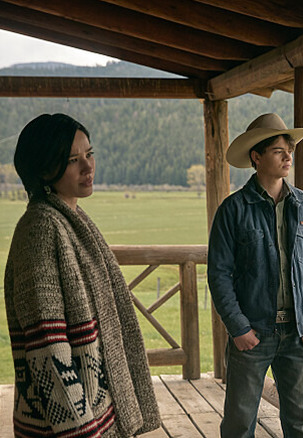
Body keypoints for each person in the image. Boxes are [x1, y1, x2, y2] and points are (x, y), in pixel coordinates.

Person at [4, 114, 161, 437]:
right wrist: (82, 430)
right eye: (72, 160)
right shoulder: (41, 228)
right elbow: (48, 347)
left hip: (92, 413)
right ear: (45, 168)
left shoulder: (70, 217)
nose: (88, 167)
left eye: (89, 154)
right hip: (67, 426)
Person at [208, 113, 303, 437]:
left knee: (300, 424)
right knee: (238, 423)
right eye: (279, 151)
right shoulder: (232, 210)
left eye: (289, 150)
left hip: (297, 333)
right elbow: (218, 274)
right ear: (257, 157)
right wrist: (238, 327)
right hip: (252, 335)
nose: (288, 157)